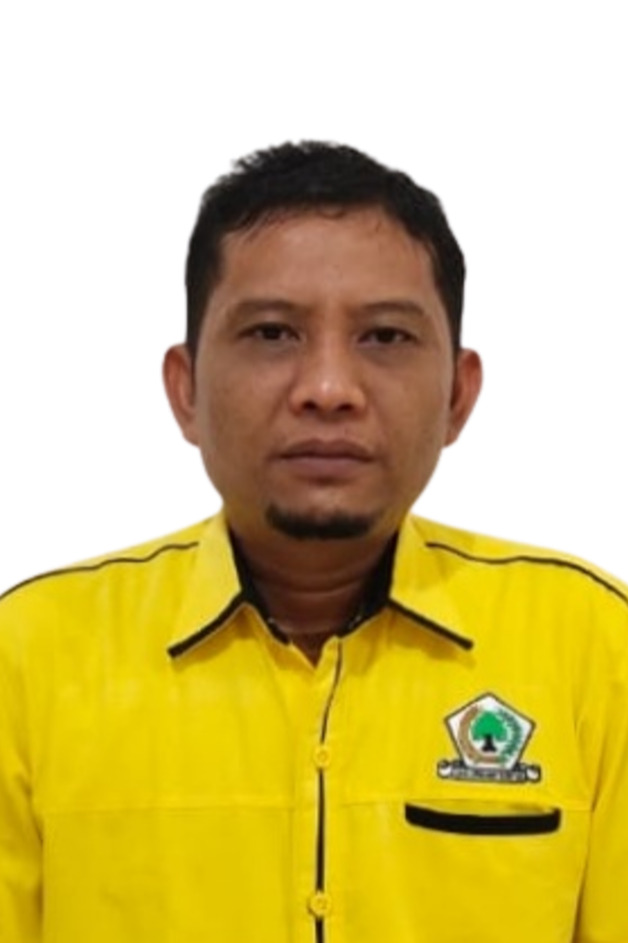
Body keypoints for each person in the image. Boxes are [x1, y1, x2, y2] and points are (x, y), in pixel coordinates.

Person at [0, 141, 626, 943]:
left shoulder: (592, 649)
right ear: (186, 390)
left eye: (385, 338)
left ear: (458, 395)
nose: (328, 389)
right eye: (271, 333)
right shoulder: (31, 658)